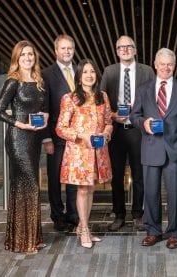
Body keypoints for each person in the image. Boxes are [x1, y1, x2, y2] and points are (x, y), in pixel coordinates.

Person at [130, 48, 177, 249]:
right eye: (162, 64)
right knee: (151, 193)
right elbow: (134, 115)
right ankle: (153, 231)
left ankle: (174, 232)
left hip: (176, 149)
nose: (166, 67)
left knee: (175, 194)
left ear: (174, 66)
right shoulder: (143, 89)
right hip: (151, 148)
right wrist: (144, 124)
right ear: (155, 65)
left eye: (170, 64)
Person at [0, 40, 48, 253]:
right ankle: (25, 241)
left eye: (31, 54)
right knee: (32, 185)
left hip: (34, 140)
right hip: (18, 139)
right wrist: (19, 123)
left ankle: (28, 238)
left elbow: (42, 107)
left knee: (23, 188)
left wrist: (44, 115)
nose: (28, 58)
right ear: (17, 58)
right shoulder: (13, 81)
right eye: (23, 54)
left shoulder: (38, 81)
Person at [56, 59, 112, 248]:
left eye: (92, 72)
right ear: (79, 77)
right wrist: (81, 135)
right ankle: (85, 230)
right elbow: (61, 128)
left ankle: (82, 225)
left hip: (98, 152)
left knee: (90, 189)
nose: (89, 75)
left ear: (97, 75)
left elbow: (109, 122)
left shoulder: (102, 96)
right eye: (85, 72)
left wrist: (105, 133)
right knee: (82, 189)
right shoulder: (70, 98)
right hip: (79, 154)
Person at [101, 35, 155, 231]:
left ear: (135, 50)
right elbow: (102, 101)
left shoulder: (147, 71)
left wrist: (138, 108)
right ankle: (119, 214)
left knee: (139, 175)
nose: (125, 50)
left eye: (128, 47)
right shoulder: (109, 71)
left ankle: (138, 215)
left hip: (138, 131)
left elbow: (154, 99)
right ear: (117, 51)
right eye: (121, 47)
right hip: (116, 132)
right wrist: (112, 115)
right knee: (116, 176)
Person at [42, 34, 79, 231]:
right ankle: (58, 216)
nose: (66, 52)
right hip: (55, 136)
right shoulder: (46, 74)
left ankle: (73, 214)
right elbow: (44, 107)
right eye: (63, 48)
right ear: (56, 51)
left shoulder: (80, 71)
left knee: (73, 176)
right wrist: (46, 138)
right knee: (55, 177)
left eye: (69, 48)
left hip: (77, 137)